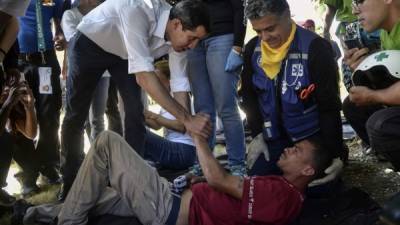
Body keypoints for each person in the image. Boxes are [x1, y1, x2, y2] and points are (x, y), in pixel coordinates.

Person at [59, 0, 212, 201]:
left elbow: (180, 84)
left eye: (198, 41)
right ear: (176, 25)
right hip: (90, 43)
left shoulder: (179, 40)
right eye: (192, 39)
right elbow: (144, 77)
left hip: (123, 54)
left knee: (135, 113)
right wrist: (188, 120)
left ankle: (131, 182)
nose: (193, 46)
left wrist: (187, 123)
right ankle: (70, 183)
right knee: (76, 115)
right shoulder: (138, 10)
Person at [22, 130, 331, 225]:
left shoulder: (282, 196)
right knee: (98, 198)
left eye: (297, 150)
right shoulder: (281, 189)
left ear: (307, 170)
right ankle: (35, 215)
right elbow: (225, 193)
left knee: (106, 142)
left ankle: (66, 223)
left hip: (167, 209)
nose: (289, 149)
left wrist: (197, 137)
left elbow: (220, 180)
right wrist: (197, 184)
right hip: (171, 198)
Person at [240, 0, 344, 187]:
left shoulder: (316, 48)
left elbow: (329, 105)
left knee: (320, 188)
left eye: (270, 29)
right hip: (272, 138)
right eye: (258, 31)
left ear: (288, 17)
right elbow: (248, 96)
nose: (264, 37)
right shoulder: (252, 49)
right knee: (258, 185)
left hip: (310, 141)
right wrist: (256, 135)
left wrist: (336, 153)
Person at [187, 0, 247, 176]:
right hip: (193, 38)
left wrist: (237, 47)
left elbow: (240, 8)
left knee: (226, 106)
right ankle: (202, 162)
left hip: (222, 35)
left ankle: (237, 165)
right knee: (202, 108)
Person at [342, 0, 400, 170]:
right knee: (353, 106)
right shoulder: (386, 33)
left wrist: (374, 96)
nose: (354, 10)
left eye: (359, 1)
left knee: (381, 125)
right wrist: (364, 68)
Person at [17, 0, 65, 185]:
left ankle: (48, 165)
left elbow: (60, 22)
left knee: (49, 115)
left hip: (45, 61)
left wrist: (60, 34)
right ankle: (28, 172)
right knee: (21, 114)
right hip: (20, 62)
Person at [144, 60, 196, 170]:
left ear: (169, 80)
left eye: (158, 80)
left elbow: (181, 126)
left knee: (140, 133)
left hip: (183, 151)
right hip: (175, 148)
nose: (155, 85)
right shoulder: (167, 98)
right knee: (136, 130)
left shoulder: (178, 97)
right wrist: (140, 115)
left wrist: (154, 116)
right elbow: (157, 126)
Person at [0, 72, 39, 203]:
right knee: (5, 139)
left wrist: (30, 107)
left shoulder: (15, 105)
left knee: (19, 139)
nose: (13, 91)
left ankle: (28, 178)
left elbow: (31, 134)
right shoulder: (7, 100)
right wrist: (7, 104)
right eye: (9, 86)